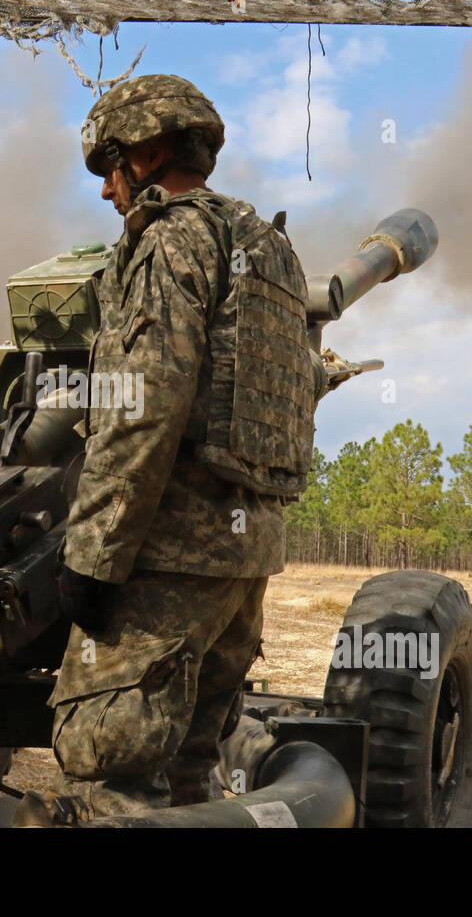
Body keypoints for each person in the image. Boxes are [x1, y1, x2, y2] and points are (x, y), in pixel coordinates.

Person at [47, 74, 330, 818]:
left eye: (112, 167)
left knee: (118, 779)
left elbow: (142, 405)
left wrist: (94, 556)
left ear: (147, 150)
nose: (108, 192)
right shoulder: (268, 246)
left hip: (166, 559)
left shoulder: (172, 238)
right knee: (189, 778)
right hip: (244, 561)